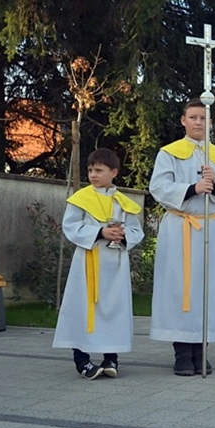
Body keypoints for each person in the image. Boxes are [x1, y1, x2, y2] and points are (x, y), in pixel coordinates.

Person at [149, 98, 215, 376]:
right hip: (179, 227)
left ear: (210, 122)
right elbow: (158, 186)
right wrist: (191, 188)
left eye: (203, 118)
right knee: (179, 288)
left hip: (209, 227)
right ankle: (181, 353)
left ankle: (201, 351)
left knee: (206, 289)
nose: (198, 122)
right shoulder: (168, 153)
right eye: (193, 117)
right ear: (183, 121)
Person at [53, 148, 144, 379]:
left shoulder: (123, 203)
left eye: (99, 170)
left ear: (113, 172)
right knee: (82, 308)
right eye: (91, 170)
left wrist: (123, 236)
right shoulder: (81, 199)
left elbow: (136, 230)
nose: (93, 174)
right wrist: (100, 232)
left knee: (114, 308)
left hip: (115, 265)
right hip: (88, 263)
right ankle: (81, 359)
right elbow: (71, 226)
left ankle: (111, 357)